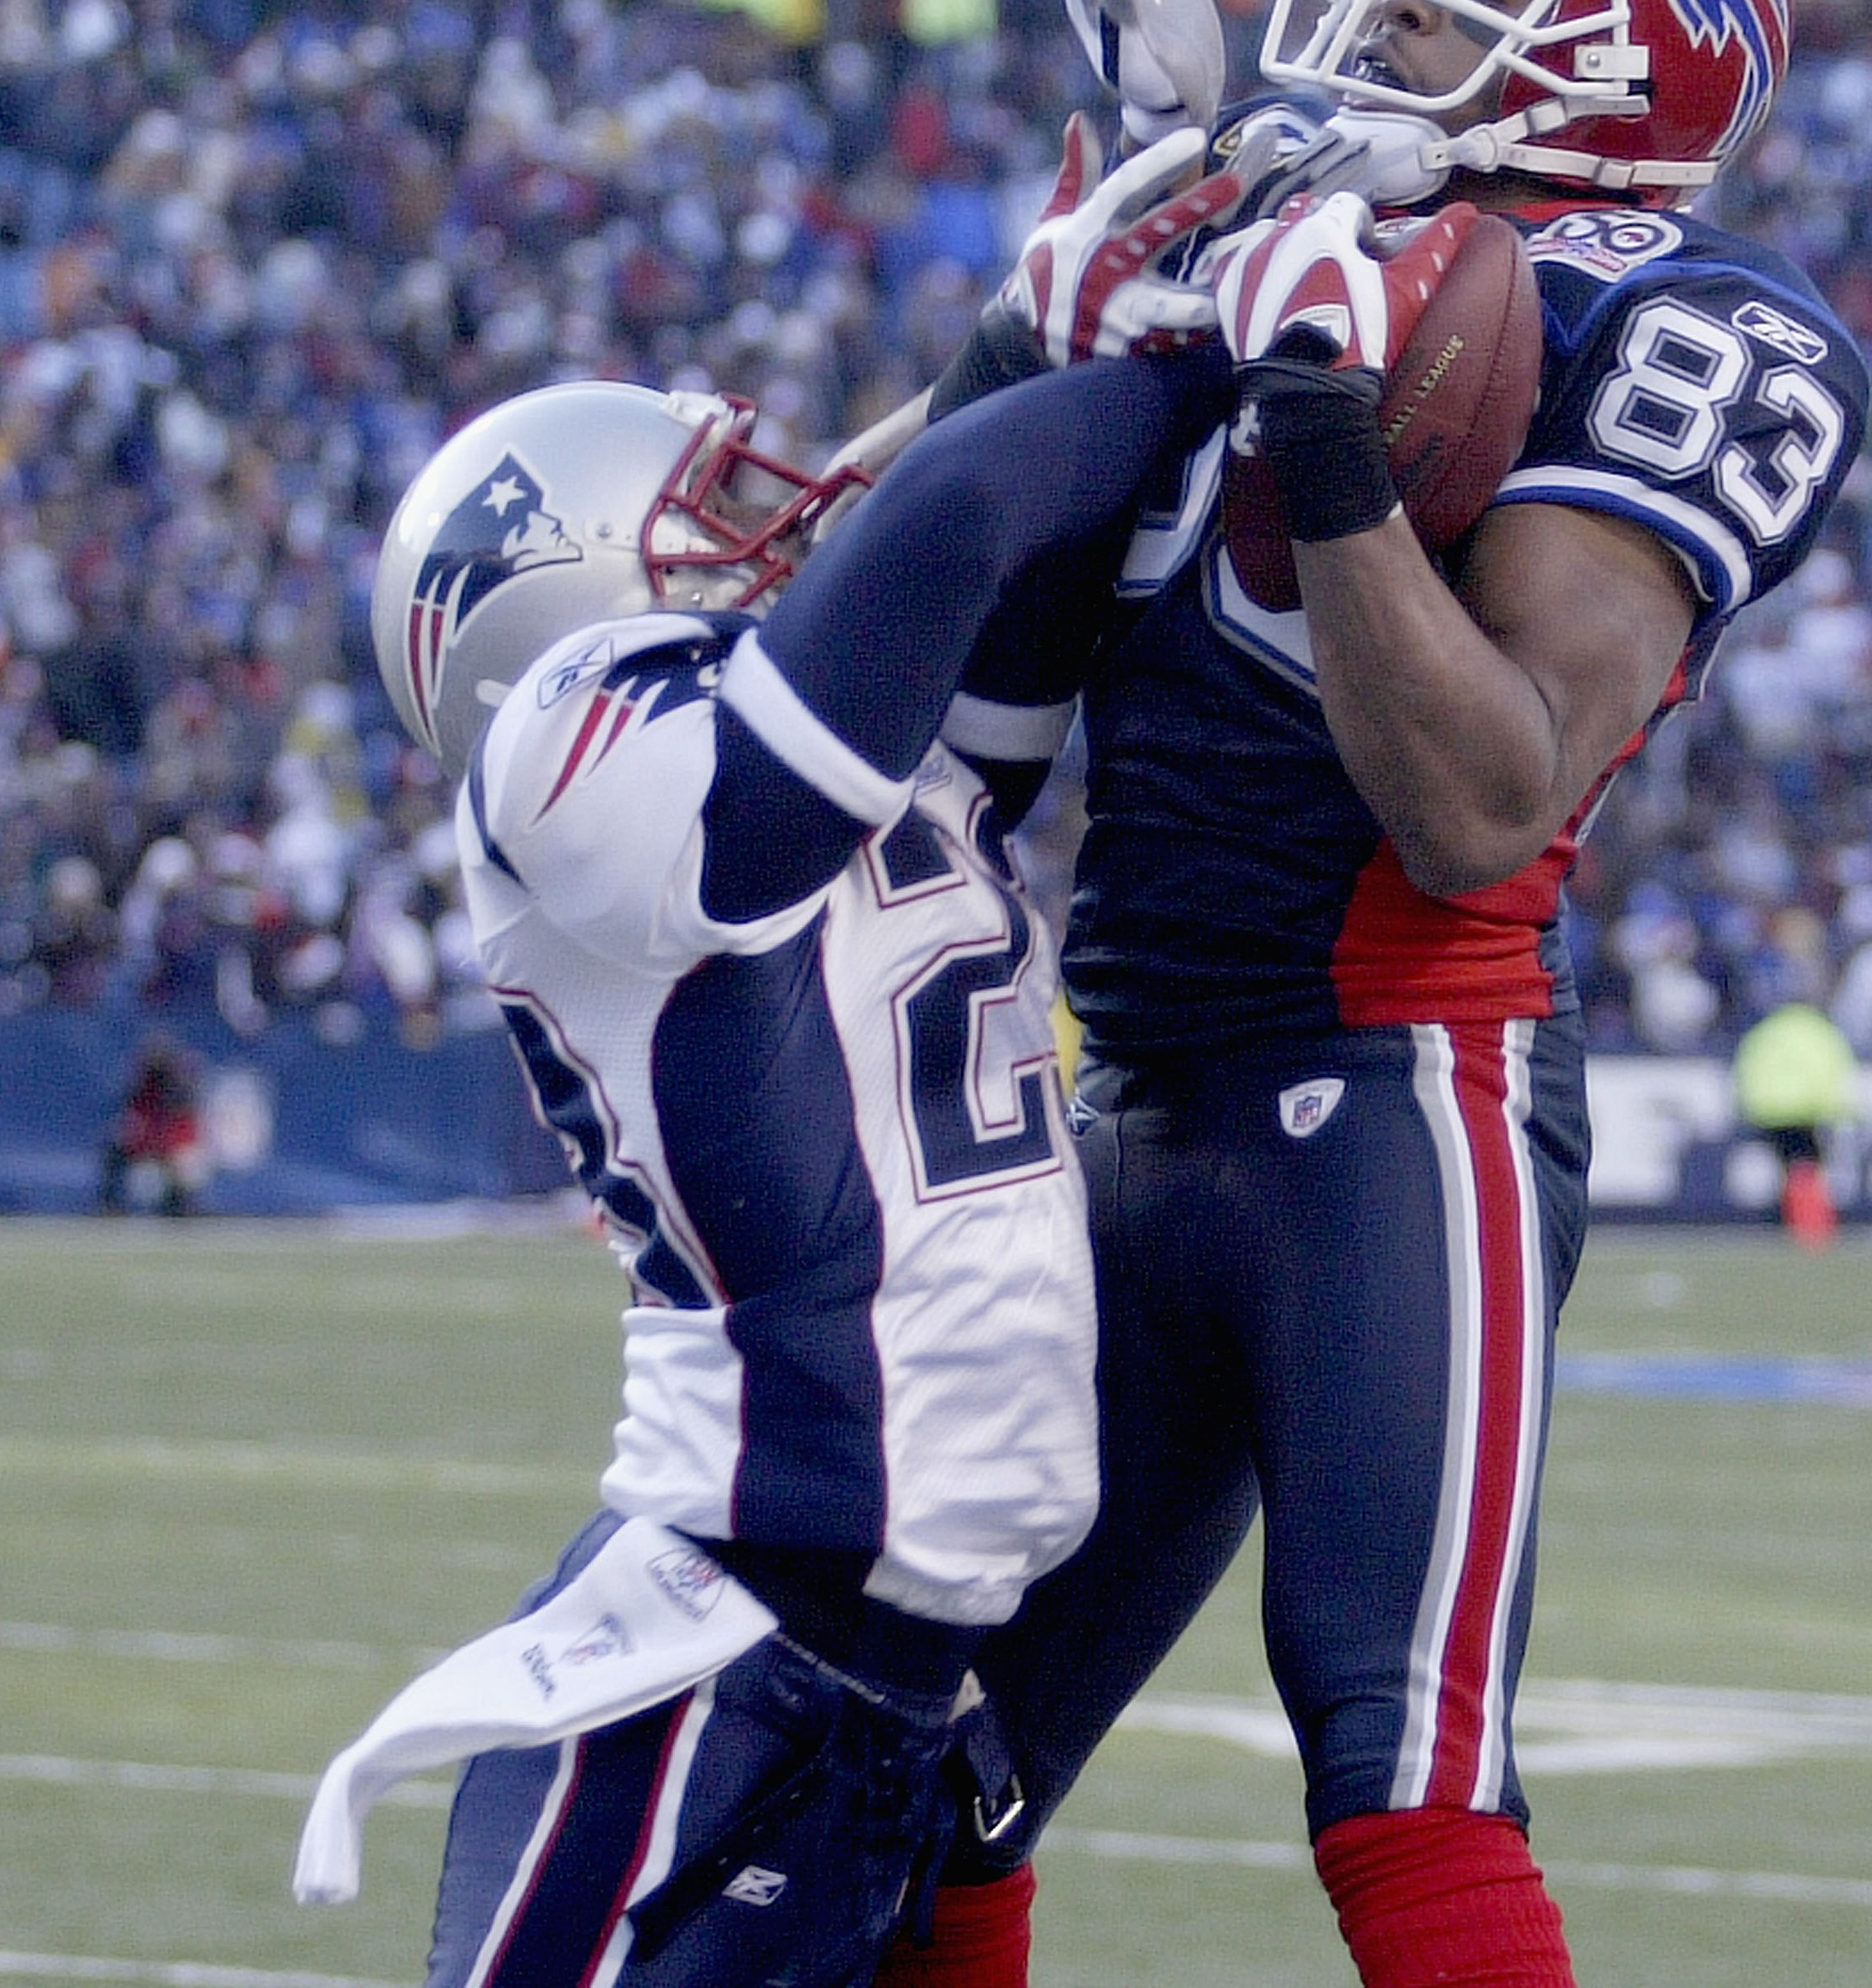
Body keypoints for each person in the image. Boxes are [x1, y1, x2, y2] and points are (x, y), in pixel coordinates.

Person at [871, 0, 1872, 1988]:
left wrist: (1320, 424)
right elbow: (905, 586)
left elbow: (1482, 802)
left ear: (1643, 48)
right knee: (914, 1786)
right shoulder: (1277, 207)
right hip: (1116, 1094)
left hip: (1398, 1094)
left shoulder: (1704, 324)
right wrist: (1071, 286)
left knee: (1399, 1783)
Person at [293, 169, 1239, 1988]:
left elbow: (998, 585)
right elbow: (955, 524)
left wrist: (1110, 275)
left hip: (873, 1686)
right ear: (562, 582)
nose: (771, 517)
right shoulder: (567, 756)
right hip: (715, 1661)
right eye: (706, 505)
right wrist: (1202, 352)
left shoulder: (840, 757)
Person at [1731, 998, 1858, 1244]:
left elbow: (1747, 1070)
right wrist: (1836, 1110)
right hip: (1808, 1111)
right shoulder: (1819, 1031)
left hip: (1770, 1111)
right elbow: (1835, 1071)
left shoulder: (1766, 1032)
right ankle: (1811, 1226)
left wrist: (1752, 1107)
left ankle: (1796, 1223)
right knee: (1808, 1169)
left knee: (1789, 1169)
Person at [97, 1030, 207, 1217]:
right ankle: (110, 1205)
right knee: (113, 1152)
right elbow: (133, 1121)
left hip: (173, 1146)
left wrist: (164, 1144)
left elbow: (184, 1129)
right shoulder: (140, 1089)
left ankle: (181, 1207)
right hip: (147, 1142)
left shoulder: (180, 1091)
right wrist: (140, 1141)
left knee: (184, 1163)